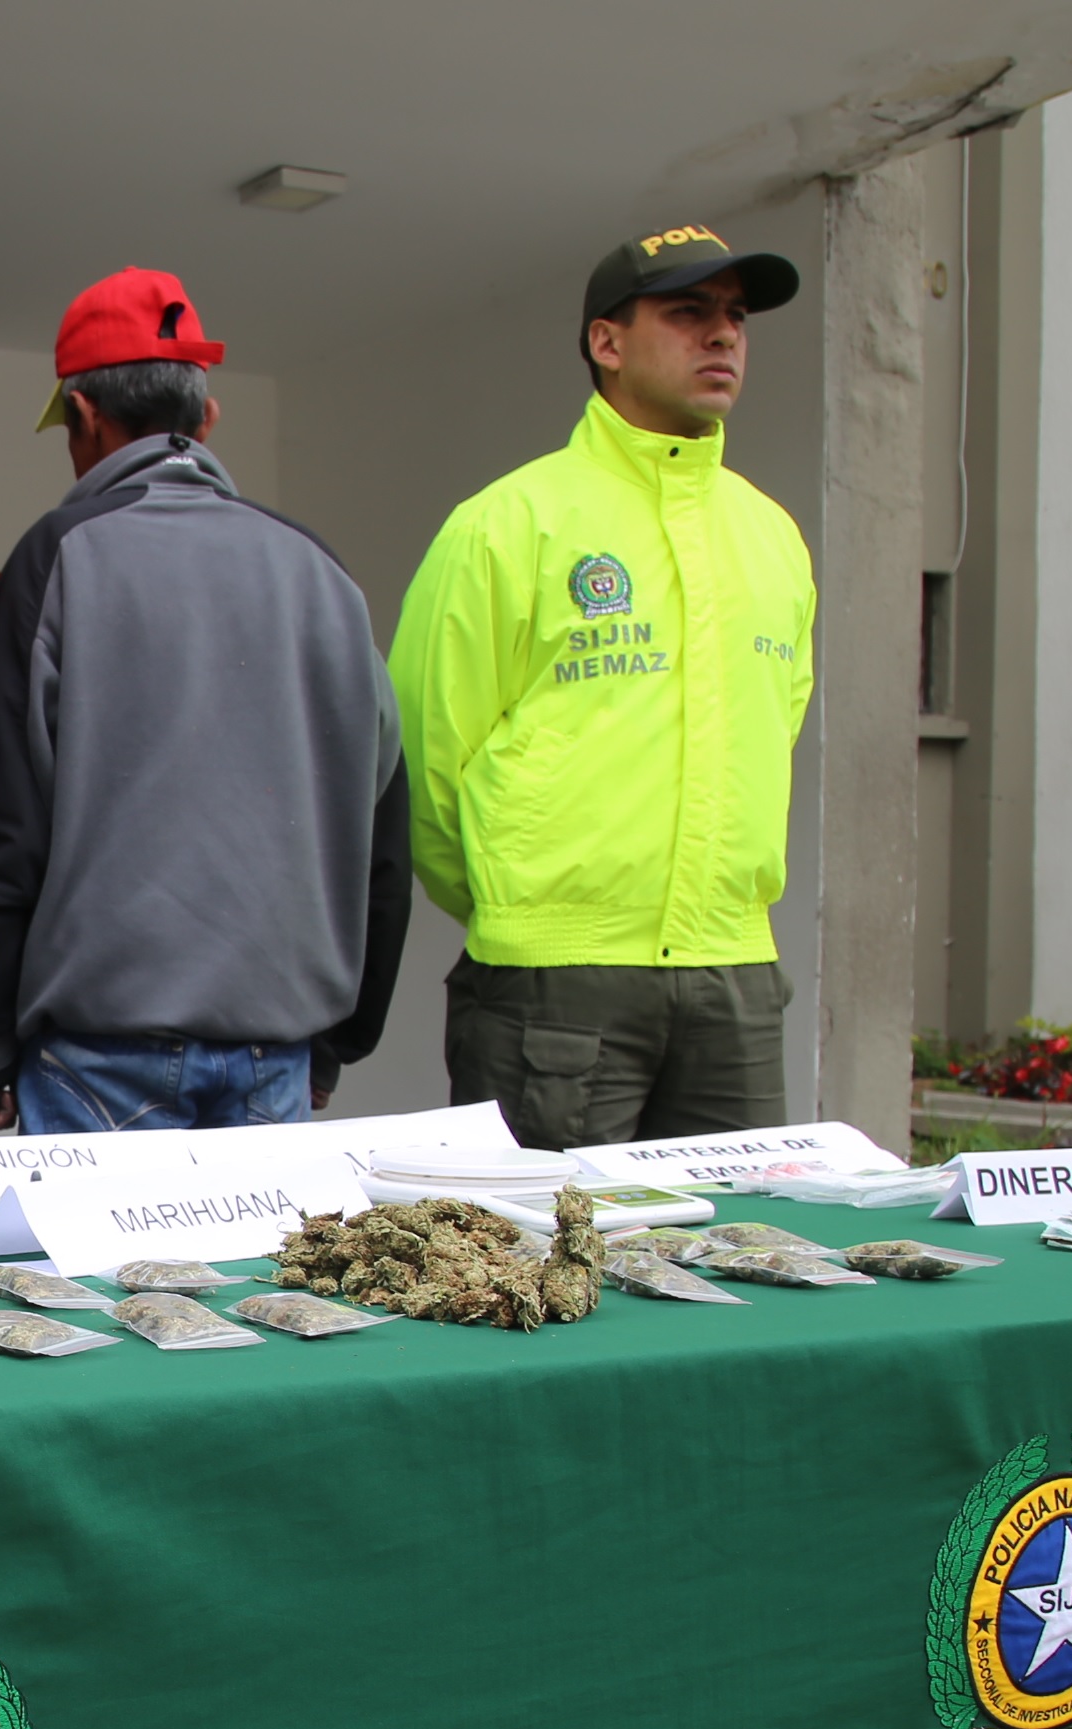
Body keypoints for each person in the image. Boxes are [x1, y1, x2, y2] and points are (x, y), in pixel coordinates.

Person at [0, 268, 408, 1133]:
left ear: (82, 418)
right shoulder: (319, 571)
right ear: (207, 417)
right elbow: (378, 826)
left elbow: (1, 817)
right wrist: (342, 1036)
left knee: (99, 1277)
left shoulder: (55, 558)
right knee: (259, 1274)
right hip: (280, 1045)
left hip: (96, 1049)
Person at [391, 223, 816, 1149]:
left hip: (733, 970)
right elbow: (423, 758)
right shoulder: (507, 524)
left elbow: (771, 730)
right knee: (544, 1275)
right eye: (688, 312)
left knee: (735, 1270)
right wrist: (521, 908)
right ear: (606, 342)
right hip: (554, 979)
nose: (723, 336)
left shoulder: (771, 537)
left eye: (736, 318)